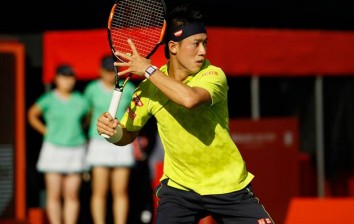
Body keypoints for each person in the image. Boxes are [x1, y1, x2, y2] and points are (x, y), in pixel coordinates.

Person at [96, 3, 275, 224]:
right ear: (173, 47)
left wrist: (149, 70)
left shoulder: (213, 75)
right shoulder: (148, 89)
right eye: (196, 44)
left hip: (228, 186)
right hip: (180, 190)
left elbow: (189, 99)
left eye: (205, 43)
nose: (203, 51)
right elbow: (128, 133)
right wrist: (113, 133)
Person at [28, 64, 89, 224]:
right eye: (64, 77)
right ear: (56, 79)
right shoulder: (48, 99)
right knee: (54, 194)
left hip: (76, 148)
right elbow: (32, 114)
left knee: (71, 194)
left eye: (70, 77)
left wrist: (80, 129)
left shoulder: (81, 100)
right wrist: (46, 131)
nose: (67, 81)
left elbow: (88, 116)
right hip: (53, 148)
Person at [84, 55, 136, 224]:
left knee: (120, 191)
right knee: (99, 191)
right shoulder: (91, 89)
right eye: (106, 70)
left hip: (121, 141)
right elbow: (88, 114)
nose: (109, 74)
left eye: (112, 70)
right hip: (99, 142)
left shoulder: (130, 89)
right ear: (100, 71)